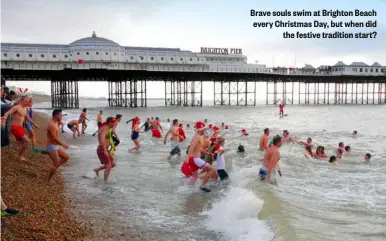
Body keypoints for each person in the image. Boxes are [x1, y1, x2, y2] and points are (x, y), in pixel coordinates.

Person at [1, 96, 39, 162]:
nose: (28, 102)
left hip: (20, 128)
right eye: (27, 101)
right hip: (15, 127)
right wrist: (4, 121)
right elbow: (7, 113)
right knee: (27, 141)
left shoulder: (24, 109)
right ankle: (19, 156)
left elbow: (27, 118)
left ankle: (20, 155)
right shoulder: (16, 107)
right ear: (22, 100)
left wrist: (34, 124)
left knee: (22, 143)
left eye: (28, 101)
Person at [185, 121, 217, 192]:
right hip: (194, 159)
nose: (205, 130)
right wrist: (187, 157)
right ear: (201, 130)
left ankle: (187, 190)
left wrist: (207, 153)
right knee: (211, 170)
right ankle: (203, 186)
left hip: (193, 159)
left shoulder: (198, 137)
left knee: (195, 177)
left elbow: (199, 148)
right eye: (204, 129)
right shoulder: (197, 137)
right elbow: (191, 147)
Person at [46, 109, 70, 181]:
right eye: (60, 115)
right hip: (51, 146)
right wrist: (63, 144)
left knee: (66, 157)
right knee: (56, 163)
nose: (62, 116)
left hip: (56, 146)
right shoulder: (52, 125)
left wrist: (59, 122)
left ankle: (55, 167)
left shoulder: (55, 122)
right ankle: (48, 179)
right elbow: (54, 138)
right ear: (56, 115)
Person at [94, 117, 117, 181]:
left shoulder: (108, 128)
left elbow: (107, 139)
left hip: (105, 149)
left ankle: (97, 170)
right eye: (113, 122)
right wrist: (104, 149)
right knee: (109, 166)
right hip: (102, 149)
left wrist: (112, 146)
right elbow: (101, 139)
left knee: (113, 164)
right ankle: (105, 183)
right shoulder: (104, 129)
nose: (114, 124)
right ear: (109, 122)